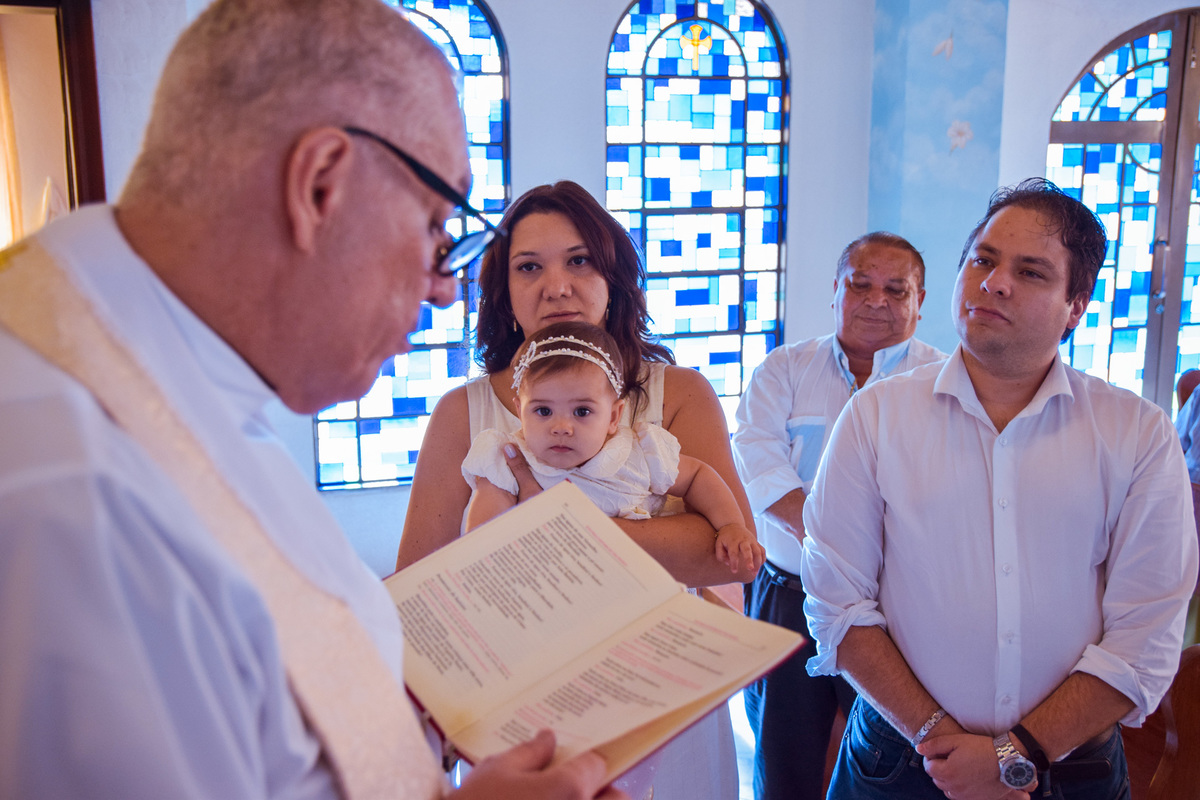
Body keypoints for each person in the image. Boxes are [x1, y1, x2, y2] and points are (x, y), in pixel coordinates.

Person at [0, 1, 626, 798]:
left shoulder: (172, 375)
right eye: (439, 227)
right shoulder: (70, 497)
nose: (445, 287)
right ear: (319, 185)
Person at [801, 178, 1199, 800]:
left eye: (1032, 272)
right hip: (900, 762)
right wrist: (936, 736)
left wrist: (1018, 754)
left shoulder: (1136, 433)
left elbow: (1146, 635)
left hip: (1071, 769)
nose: (994, 282)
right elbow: (836, 603)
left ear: (1076, 306)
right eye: (983, 259)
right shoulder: (876, 417)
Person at [397, 180, 758, 799]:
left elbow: (721, 552)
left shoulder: (680, 395)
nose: (556, 285)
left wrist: (548, 528)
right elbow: (419, 583)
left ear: (612, 278)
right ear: (504, 293)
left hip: (657, 688)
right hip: (517, 691)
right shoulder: (466, 413)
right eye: (529, 266)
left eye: (579, 261)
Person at [731, 231, 946, 800]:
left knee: (890, 758)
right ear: (835, 291)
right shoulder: (782, 370)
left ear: (920, 301)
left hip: (895, 607)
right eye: (861, 284)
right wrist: (835, 545)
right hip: (789, 595)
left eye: (896, 290)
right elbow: (759, 466)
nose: (876, 300)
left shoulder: (946, 383)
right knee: (783, 759)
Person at [464, 321, 765, 575]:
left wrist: (730, 525)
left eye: (581, 412)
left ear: (613, 416)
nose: (561, 427)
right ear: (520, 411)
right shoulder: (511, 459)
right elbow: (482, 532)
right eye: (543, 411)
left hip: (636, 592)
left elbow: (698, 476)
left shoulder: (637, 455)